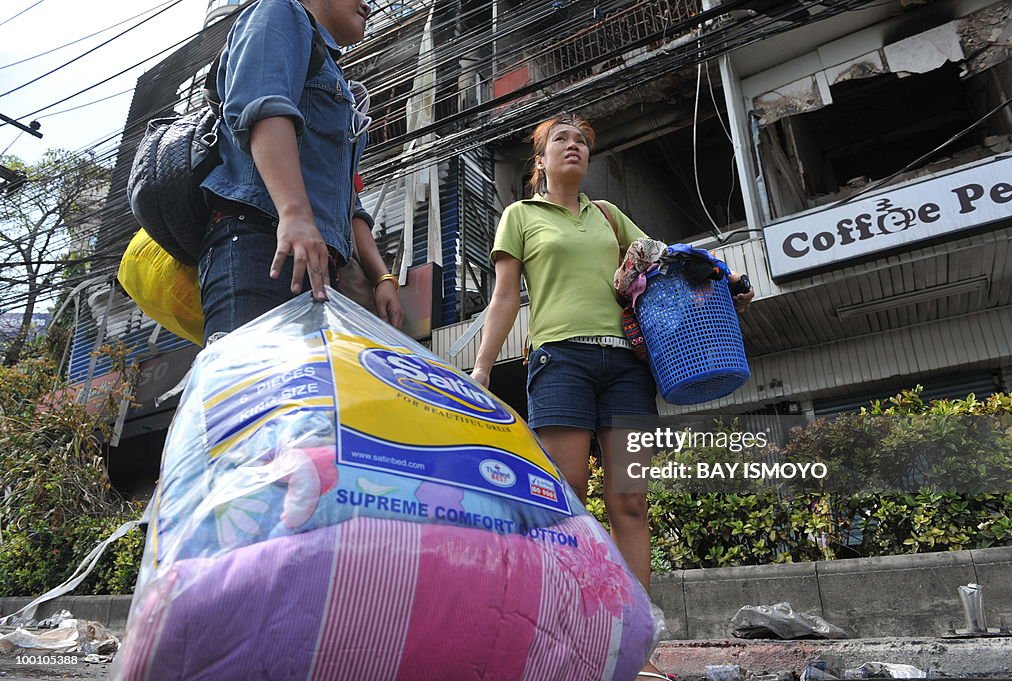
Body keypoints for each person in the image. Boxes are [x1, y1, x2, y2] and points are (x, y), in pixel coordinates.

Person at [470, 113, 754, 681]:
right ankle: (571, 638)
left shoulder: (608, 215)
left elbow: (660, 263)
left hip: (626, 367)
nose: (573, 147)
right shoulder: (519, 217)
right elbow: (505, 300)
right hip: (561, 362)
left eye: (581, 141)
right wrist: (480, 368)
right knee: (567, 502)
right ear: (541, 161)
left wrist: (719, 282)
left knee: (629, 502)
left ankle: (637, 649)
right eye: (560, 140)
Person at [199, 0, 402, 341]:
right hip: (265, 247)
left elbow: (349, 203)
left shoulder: (334, 74)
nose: (368, 5)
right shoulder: (279, 10)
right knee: (257, 389)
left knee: (306, 394)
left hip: (315, 262)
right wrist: (295, 214)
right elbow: (262, 108)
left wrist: (381, 278)